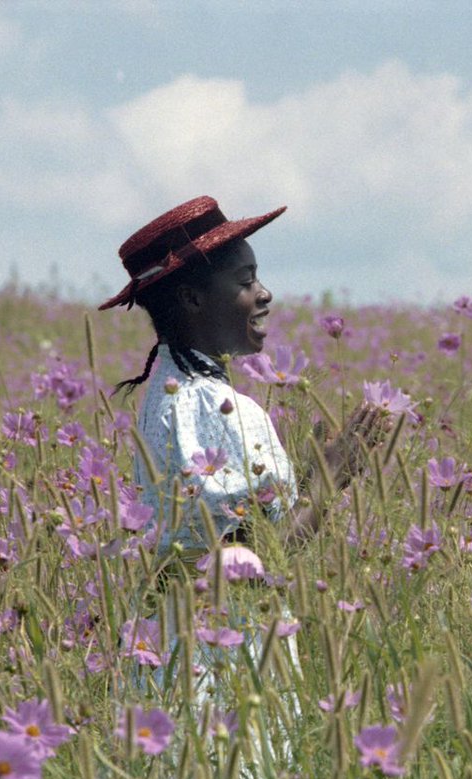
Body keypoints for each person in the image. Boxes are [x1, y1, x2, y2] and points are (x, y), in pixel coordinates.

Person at [100, 195, 378, 558]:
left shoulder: (172, 394)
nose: (264, 293)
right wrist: (330, 479)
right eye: (246, 281)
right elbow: (246, 565)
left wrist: (313, 474)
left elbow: (241, 534)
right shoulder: (209, 403)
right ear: (192, 300)